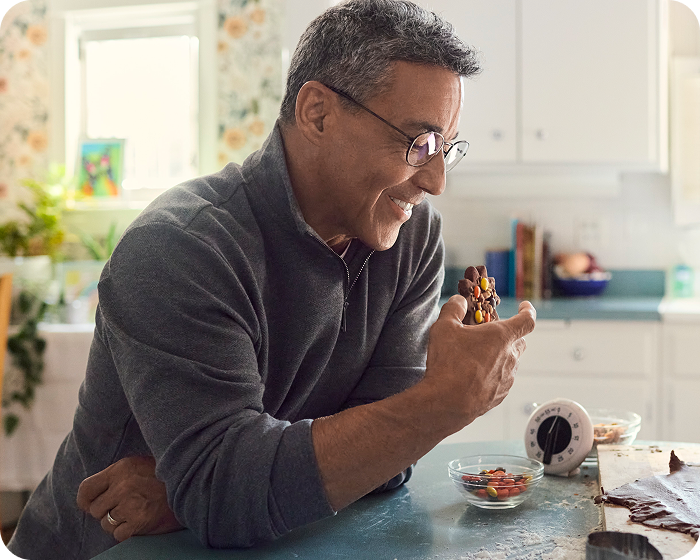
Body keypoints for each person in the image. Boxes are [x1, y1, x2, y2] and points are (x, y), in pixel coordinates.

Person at [7, 1, 536, 558]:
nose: (435, 180)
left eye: (447, 147)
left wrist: (225, 480)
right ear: (317, 114)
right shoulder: (178, 249)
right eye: (418, 143)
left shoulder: (409, 234)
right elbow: (227, 496)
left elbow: (384, 461)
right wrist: (438, 404)